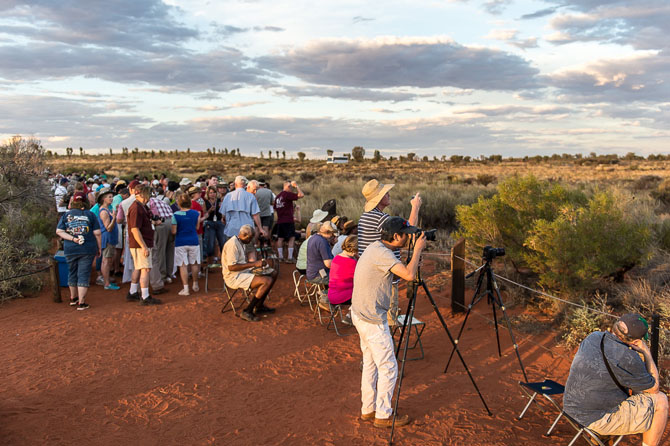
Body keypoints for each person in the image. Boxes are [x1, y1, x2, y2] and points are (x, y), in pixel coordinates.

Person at [351, 216, 426, 428]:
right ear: (395, 236)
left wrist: (412, 258)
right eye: (406, 234)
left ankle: (368, 409)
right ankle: (383, 415)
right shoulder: (383, 254)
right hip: (372, 319)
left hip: (361, 314)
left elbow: (395, 275)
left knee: (371, 363)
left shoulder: (375, 247)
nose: (409, 237)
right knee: (389, 366)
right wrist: (419, 248)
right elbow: (410, 275)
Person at [564, 314, 668, 446]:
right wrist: (646, 352)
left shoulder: (593, 336)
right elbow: (654, 388)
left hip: (570, 408)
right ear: (636, 341)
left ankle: (600, 439)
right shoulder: (628, 357)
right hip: (594, 419)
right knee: (661, 401)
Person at [358, 179, 422, 326]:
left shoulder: (365, 216)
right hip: (384, 276)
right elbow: (409, 230)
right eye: (386, 193)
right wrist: (415, 207)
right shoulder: (380, 218)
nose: (389, 194)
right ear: (380, 198)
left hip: (372, 274)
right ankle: (390, 345)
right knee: (388, 318)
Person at [222, 225, 278, 322]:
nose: (251, 241)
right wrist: (254, 264)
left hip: (242, 272)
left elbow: (242, 263)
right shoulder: (233, 244)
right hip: (233, 276)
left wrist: (257, 265)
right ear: (244, 235)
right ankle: (248, 310)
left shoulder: (240, 242)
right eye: (251, 238)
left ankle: (259, 306)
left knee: (273, 273)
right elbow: (232, 267)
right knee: (267, 281)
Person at [56, 192, 102, 310]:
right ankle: (81, 302)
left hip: (70, 248)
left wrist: (73, 239)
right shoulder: (90, 215)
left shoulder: (66, 215)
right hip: (87, 248)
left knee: (72, 272)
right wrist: (99, 247)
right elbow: (97, 233)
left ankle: (73, 298)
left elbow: (59, 231)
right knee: (83, 273)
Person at [127, 184, 163, 305]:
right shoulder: (137, 208)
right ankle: (145, 296)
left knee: (139, 267)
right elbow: (135, 229)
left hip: (139, 242)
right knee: (145, 269)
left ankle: (133, 292)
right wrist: (144, 246)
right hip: (140, 243)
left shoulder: (141, 206)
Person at [220, 176, 268, 259]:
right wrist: (260, 228)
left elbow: (223, 215)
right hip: (247, 229)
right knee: (250, 250)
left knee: (232, 252)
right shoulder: (250, 196)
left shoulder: (228, 196)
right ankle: (251, 270)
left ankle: (234, 270)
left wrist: (225, 220)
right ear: (245, 185)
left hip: (232, 229)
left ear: (235, 184)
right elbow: (255, 215)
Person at [171, 193, 201, 296]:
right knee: (194, 263)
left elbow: (174, 231)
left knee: (183, 265)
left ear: (179, 203)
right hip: (193, 240)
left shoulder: (175, 215)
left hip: (180, 242)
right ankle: (195, 284)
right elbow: (197, 227)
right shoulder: (196, 213)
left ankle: (186, 288)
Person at [327, 235, 358, 325]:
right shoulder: (352, 262)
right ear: (354, 250)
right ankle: (350, 316)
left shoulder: (336, 258)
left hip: (332, 293)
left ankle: (350, 315)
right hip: (341, 296)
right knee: (366, 293)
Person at [306, 220, 337, 310]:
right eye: (332, 234)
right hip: (318, 275)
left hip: (312, 272)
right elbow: (328, 264)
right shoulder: (323, 242)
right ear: (328, 233)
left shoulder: (314, 237)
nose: (334, 236)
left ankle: (325, 293)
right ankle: (324, 297)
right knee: (340, 279)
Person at [148, 191, 173, 294]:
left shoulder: (149, 202)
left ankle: (162, 276)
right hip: (171, 222)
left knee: (160, 251)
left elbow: (155, 216)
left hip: (161, 224)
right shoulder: (160, 200)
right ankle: (168, 275)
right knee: (169, 250)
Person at [274, 181, 304, 263]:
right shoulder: (287, 194)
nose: (292, 189)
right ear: (288, 186)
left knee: (280, 238)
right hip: (288, 220)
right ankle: (290, 258)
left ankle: (280, 257)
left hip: (280, 220)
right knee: (292, 237)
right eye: (291, 187)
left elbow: (275, 208)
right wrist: (297, 186)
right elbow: (301, 195)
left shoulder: (278, 197)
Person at [96, 188, 119, 290]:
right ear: (104, 199)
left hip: (110, 238)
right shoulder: (104, 212)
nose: (111, 198)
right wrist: (114, 217)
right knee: (106, 260)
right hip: (107, 238)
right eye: (109, 197)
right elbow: (108, 228)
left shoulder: (107, 209)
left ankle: (107, 280)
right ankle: (106, 283)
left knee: (108, 260)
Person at [203, 186, 225, 264]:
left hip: (219, 222)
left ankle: (224, 262)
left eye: (214, 192)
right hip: (210, 223)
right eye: (210, 193)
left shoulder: (219, 201)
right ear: (208, 194)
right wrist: (209, 211)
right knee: (210, 244)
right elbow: (204, 213)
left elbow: (223, 212)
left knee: (222, 242)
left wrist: (221, 208)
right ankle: (210, 263)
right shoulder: (205, 202)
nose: (212, 194)